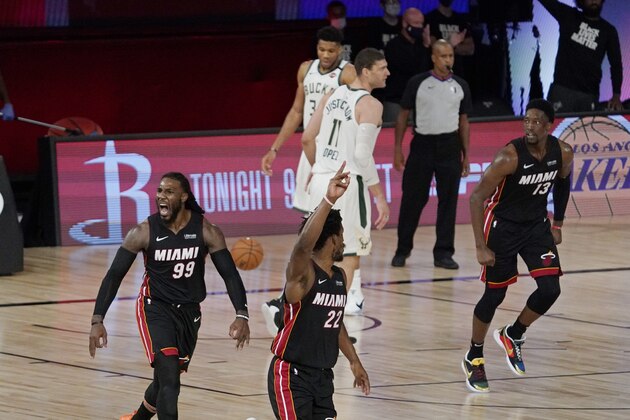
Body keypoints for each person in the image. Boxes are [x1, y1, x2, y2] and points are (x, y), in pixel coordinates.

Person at [88, 172, 250, 419]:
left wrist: (242, 314)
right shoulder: (142, 232)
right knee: (171, 381)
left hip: (189, 313)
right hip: (155, 308)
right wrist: (97, 320)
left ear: (184, 196)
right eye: (159, 191)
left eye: (169, 192)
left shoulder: (207, 231)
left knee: (164, 380)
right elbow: (114, 276)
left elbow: (229, 274)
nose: (161, 196)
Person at [462, 98, 574, 393]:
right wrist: (480, 246)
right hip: (503, 227)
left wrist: (558, 223)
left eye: (536, 121)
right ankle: (474, 355)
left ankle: (514, 333)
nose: (530, 126)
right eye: (526, 120)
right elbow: (476, 199)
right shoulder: (508, 157)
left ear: (549, 125)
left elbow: (563, 181)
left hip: (536, 226)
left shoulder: (562, 152)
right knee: (495, 294)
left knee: (551, 289)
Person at [261, 26, 356, 336]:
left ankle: (348, 291)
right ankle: (294, 296)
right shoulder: (306, 68)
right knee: (310, 227)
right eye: (321, 50)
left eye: (331, 50)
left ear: (341, 50)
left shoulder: (347, 73)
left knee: (335, 227)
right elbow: (296, 110)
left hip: (333, 155)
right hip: (312, 152)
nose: (325, 55)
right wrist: (274, 149)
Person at [268, 163, 370, 419]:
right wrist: (328, 199)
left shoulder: (339, 277)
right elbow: (302, 247)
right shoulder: (303, 275)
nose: (344, 242)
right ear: (333, 239)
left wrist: (354, 360)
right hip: (292, 377)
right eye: (342, 235)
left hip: (323, 379)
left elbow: (334, 324)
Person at [303, 47, 390, 316]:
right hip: (347, 185)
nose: (388, 72)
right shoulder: (371, 105)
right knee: (349, 253)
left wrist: (318, 167)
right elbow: (362, 156)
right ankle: (328, 317)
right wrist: (378, 196)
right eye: (382, 68)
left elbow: (307, 138)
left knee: (313, 250)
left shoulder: (331, 95)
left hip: (320, 179)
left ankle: (298, 308)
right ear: (366, 71)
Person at [391, 39, 471, 269]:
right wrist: (398, 148)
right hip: (422, 145)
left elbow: (464, 122)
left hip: (450, 145)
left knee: (448, 201)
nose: (448, 60)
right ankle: (402, 249)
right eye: (443, 56)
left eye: (451, 56)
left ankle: (444, 253)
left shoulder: (461, 85)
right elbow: (403, 116)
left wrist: (466, 155)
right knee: (412, 200)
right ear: (433, 58)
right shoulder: (418, 82)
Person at [537, 0, 623, 112]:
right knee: (558, 129)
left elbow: (616, 65)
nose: (594, 1)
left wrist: (616, 96)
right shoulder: (568, 15)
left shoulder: (609, 31)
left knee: (587, 130)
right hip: (562, 91)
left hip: (589, 96)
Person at [381, 7, 432, 122]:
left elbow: (428, 71)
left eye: (421, 24)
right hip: (397, 102)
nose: (419, 27)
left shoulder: (422, 45)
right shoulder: (393, 46)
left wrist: (427, 46)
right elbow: (410, 68)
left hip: (419, 103)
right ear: (405, 23)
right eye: (416, 23)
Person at [424, 0, 475, 93]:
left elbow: (470, 49)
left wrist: (452, 47)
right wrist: (452, 45)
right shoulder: (431, 18)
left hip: (457, 74)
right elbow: (435, 48)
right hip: (437, 75)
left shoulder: (460, 20)